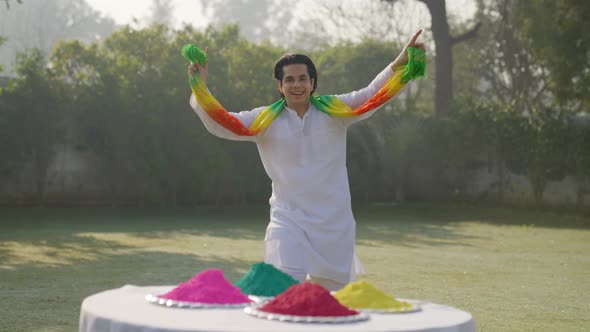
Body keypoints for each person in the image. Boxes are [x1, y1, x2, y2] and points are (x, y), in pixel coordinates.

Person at [188, 29, 426, 291]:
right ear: (279, 86)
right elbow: (223, 122)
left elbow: (371, 94)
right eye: (289, 80)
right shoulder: (265, 120)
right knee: (283, 288)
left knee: (327, 302)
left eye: (303, 78)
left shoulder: (335, 111)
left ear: (313, 82)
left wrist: (399, 63)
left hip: (333, 224)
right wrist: (201, 87)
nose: (296, 84)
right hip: (288, 219)